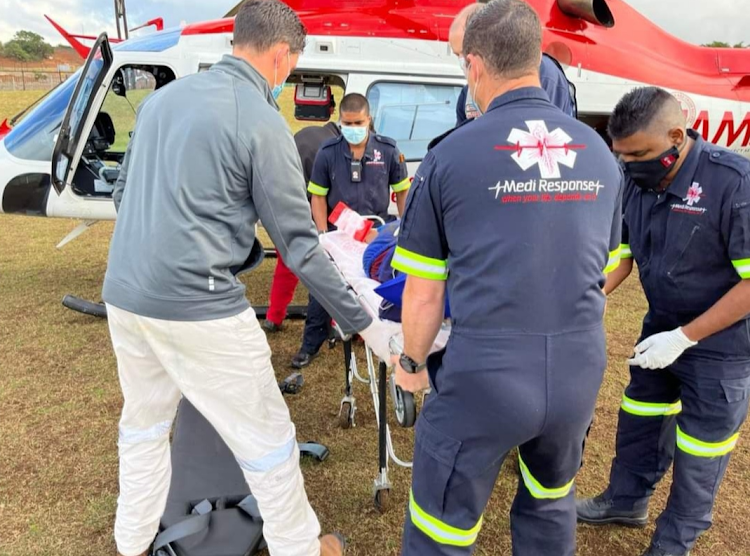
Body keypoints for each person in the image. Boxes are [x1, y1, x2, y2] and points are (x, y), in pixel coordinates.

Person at [101, 1, 379, 555]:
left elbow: (122, 195)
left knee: (145, 428)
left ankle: (129, 543)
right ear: (280, 55)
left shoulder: (159, 102)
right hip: (199, 304)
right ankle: (301, 547)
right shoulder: (259, 119)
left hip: (125, 297)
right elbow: (298, 245)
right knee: (269, 440)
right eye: (291, 67)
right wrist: (361, 322)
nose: (286, 79)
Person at [391, 1, 624, 555]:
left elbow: (424, 294)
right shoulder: (597, 151)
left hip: (485, 375)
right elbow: (605, 266)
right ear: (537, 56)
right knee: (550, 507)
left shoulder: (450, 157)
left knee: (441, 529)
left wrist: (411, 365)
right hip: (577, 372)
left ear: (474, 67)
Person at [576, 87, 750, 556]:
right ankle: (626, 501)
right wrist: (585, 298)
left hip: (721, 344)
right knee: (641, 417)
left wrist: (686, 337)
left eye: (639, 154)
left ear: (677, 135)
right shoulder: (634, 178)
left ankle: (673, 543)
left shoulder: (733, 182)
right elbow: (624, 257)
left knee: (700, 451)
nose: (628, 164)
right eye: (621, 154)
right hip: (661, 326)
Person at [291, 93, 410, 369]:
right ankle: (311, 344)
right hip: (339, 234)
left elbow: (403, 191)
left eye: (358, 122)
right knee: (323, 289)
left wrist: (405, 228)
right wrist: (322, 235)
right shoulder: (328, 152)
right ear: (340, 121)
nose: (353, 128)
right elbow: (318, 197)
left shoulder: (388, 150)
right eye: (347, 123)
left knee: (377, 288)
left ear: (369, 120)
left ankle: (382, 341)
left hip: (375, 236)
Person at [263, 98, 341, 334]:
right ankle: (339, 322)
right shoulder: (335, 149)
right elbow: (332, 195)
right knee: (332, 267)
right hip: (309, 209)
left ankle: (273, 317)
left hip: (281, 207)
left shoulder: (307, 133)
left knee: (286, 265)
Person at [448, 2, 577, 125]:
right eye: (457, 55)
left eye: (464, 53)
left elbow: (542, 131)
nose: (463, 61)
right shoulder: (468, 94)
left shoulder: (543, 76)